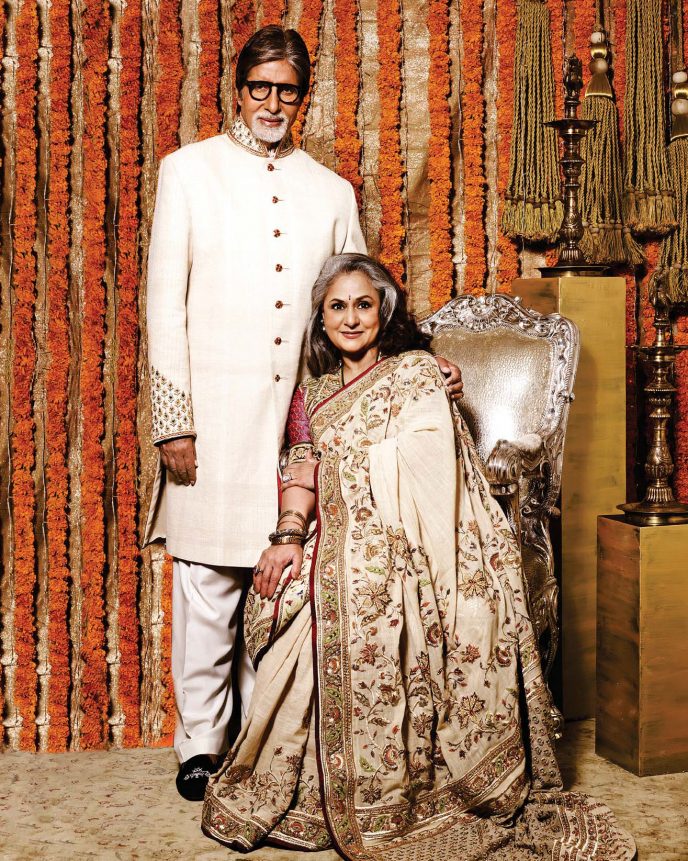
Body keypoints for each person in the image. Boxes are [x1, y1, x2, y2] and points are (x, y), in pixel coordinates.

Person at [202, 254, 634, 861]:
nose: (351, 318)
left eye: (363, 304)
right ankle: (322, 780)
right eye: (336, 307)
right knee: (302, 593)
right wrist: (289, 536)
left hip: (422, 539)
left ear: (384, 312)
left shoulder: (417, 372)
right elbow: (301, 472)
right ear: (320, 319)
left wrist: (357, 492)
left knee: (388, 598)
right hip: (337, 536)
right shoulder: (311, 395)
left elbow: (435, 469)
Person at [144, 26, 462, 801]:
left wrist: (423, 361)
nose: (272, 103)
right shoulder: (188, 172)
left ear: (304, 97)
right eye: (260, 87)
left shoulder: (331, 191)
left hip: (301, 426)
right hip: (212, 418)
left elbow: (365, 298)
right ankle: (200, 744)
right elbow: (162, 307)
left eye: (287, 90)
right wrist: (173, 421)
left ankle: (268, 742)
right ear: (239, 89)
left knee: (284, 587)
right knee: (207, 581)